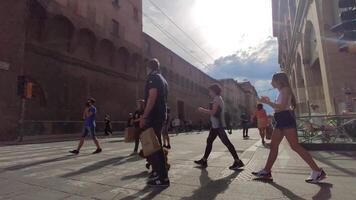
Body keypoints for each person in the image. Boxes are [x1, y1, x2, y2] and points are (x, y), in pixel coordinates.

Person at [252, 72, 326, 183]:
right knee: (273, 145)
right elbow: (279, 106)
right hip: (281, 120)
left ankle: (317, 171)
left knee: (295, 146)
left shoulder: (285, 89)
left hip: (285, 119)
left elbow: (281, 107)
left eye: (272, 80)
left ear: (278, 81)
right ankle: (266, 171)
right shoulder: (281, 91)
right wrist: (269, 101)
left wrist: (268, 102)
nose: (271, 82)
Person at [194, 84, 244, 170]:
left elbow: (213, 112)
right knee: (209, 141)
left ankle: (238, 161)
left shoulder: (217, 99)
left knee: (227, 143)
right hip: (215, 126)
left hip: (218, 126)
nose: (209, 93)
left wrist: (202, 110)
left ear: (213, 91)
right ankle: (204, 160)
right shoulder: (217, 98)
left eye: (210, 91)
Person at [139, 58, 170, 187]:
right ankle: (158, 172)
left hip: (154, 116)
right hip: (160, 115)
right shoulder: (162, 78)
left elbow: (152, 96)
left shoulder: (153, 77)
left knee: (155, 147)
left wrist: (144, 116)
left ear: (148, 68)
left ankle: (162, 177)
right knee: (156, 145)